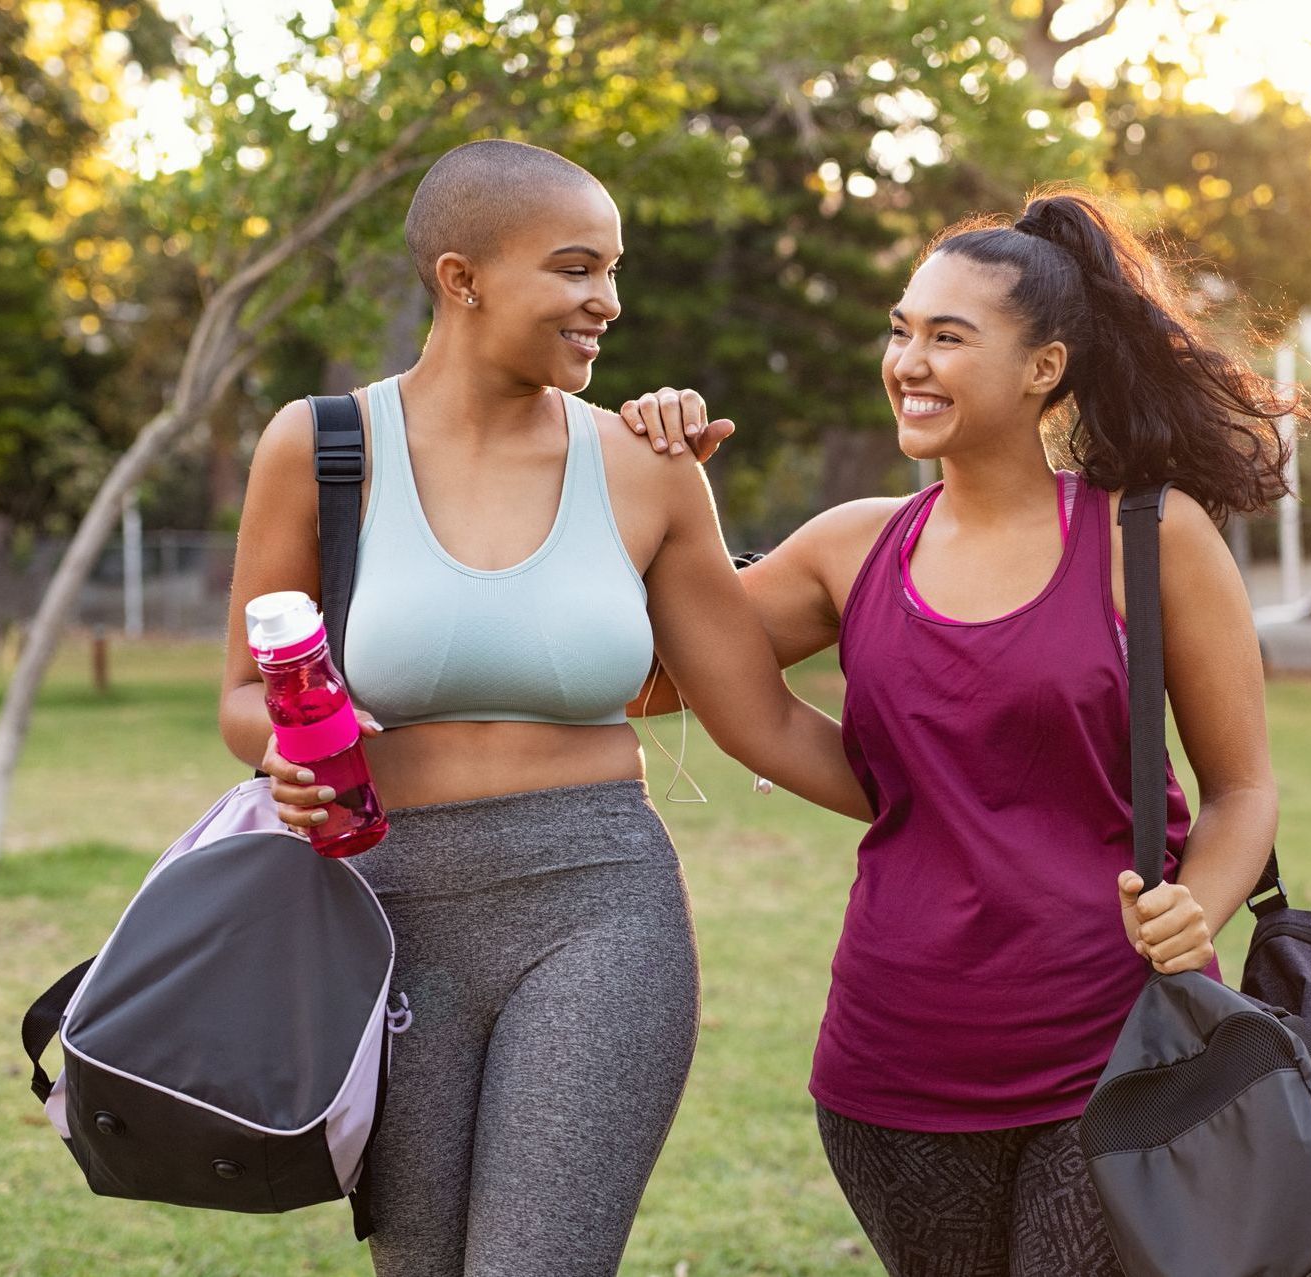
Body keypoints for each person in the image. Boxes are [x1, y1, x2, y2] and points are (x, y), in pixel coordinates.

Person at [218, 139, 870, 1277]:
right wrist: (285, 752)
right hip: (386, 915)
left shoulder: (645, 462)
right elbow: (241, 692)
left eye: (613, 272)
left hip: (599, 909)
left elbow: (756, 715)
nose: (606, 302)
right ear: (462, 278)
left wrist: (970, 806)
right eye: (576, 269)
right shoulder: (322, 447)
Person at [620, 188, 1301, 1276]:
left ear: (1043, 367)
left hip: (1118, 1046)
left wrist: (1198, 904)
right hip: (895, 1061)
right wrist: (657, 490)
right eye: (900, 329)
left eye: (948, 336)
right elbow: (652, 679)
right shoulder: (852, 546)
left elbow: (1243, 791)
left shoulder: (1148, 533)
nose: (909, 361)